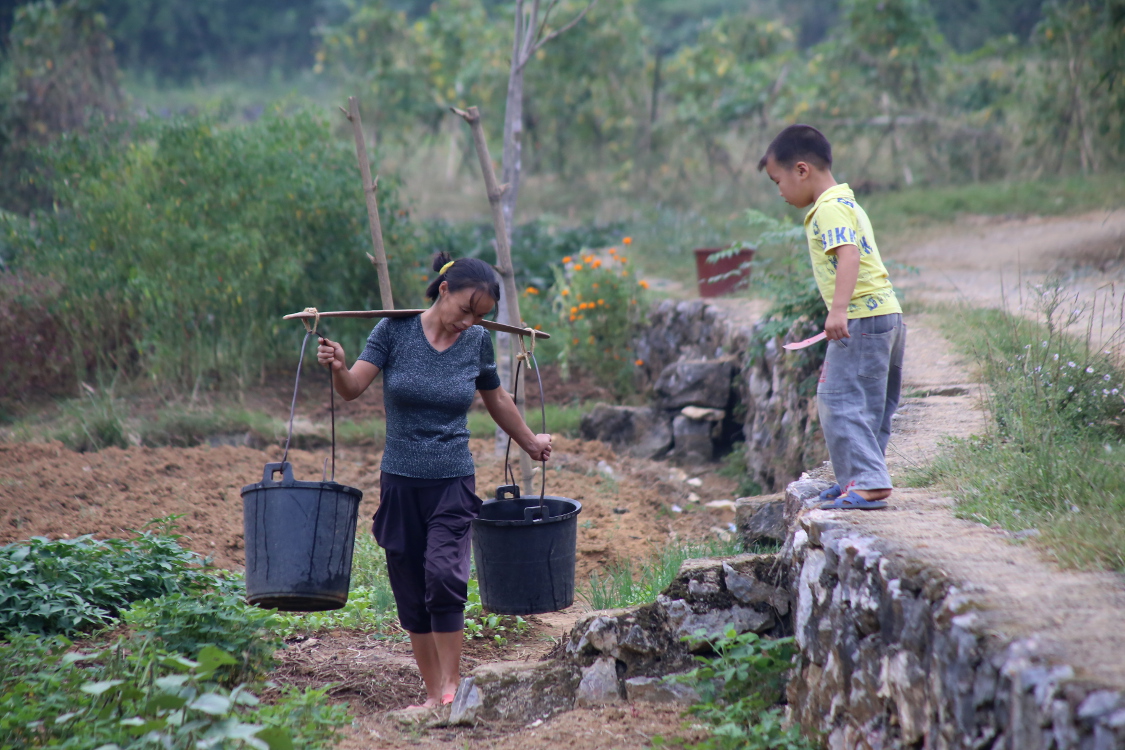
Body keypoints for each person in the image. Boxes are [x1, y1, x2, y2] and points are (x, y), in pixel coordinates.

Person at [316, 252, 552, 707]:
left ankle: (451, 685)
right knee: (408, 583)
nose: (470, 321)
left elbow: (497, 397)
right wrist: (339, 366)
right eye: (467, 309)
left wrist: (529, 441)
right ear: (444, 290)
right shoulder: (393, 332)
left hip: (452, 480)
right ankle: (431, 693)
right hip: (400, 482)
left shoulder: (477, 341)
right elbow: (352, 389)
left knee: (444, 574)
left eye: (480, 315)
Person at [759, 124, 906, 510]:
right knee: (869, 403)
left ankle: (869, 481)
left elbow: (849, 255)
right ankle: (857, 479)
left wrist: (838, 310)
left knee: (837, 398)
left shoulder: (828, 209)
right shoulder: (848, 203)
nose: (780, 192)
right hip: (886, 315)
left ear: (802, 170)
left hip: (860, 318)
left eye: (778, 181)